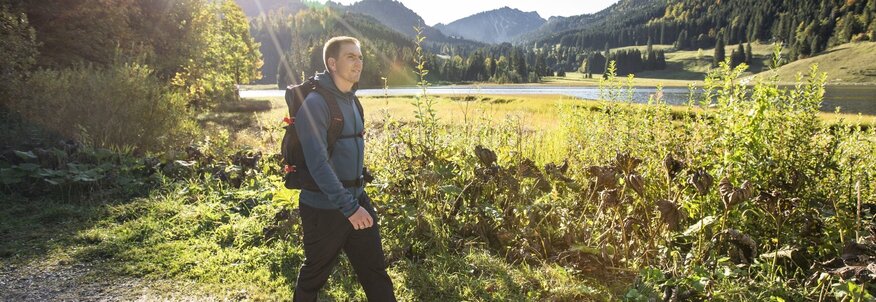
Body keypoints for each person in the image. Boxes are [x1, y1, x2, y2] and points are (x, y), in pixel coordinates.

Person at [293, 36, 396, 301]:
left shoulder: (353, 101)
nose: (358, 62)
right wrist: (349, 208)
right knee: (314, 276)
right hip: (323, 207)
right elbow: (318, 164)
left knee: (375, 271)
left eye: (360, 57)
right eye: (350, 57)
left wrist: (357, 197)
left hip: (356, 199)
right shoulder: (315, 105)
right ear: (332, 63)